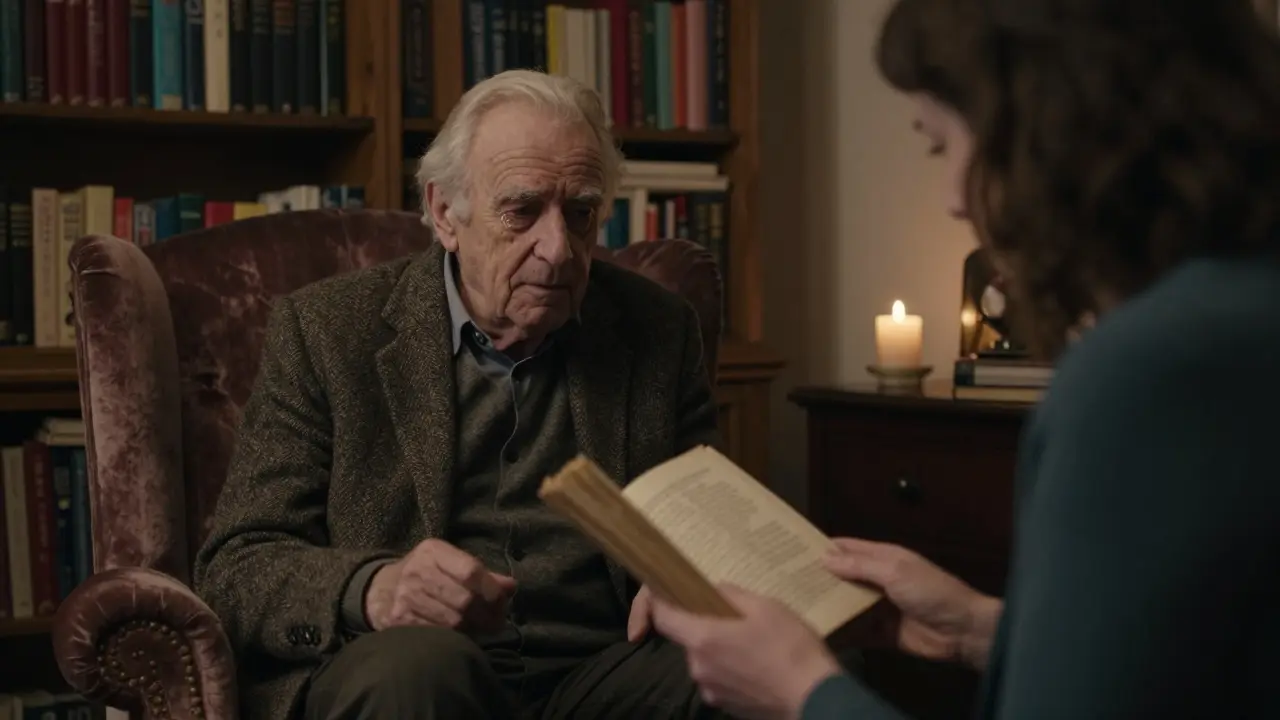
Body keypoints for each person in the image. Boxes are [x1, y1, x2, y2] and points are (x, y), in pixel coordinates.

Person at [646, 0, 1280, 718]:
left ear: (1047, 131)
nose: (951, 198)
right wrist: (982, 629)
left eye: (942, 144)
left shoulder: (1146, 373)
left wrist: (800, 688)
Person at [192, 69, 725, 720]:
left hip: (605, 673)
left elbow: (711, 522)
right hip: (417, 663)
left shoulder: (659, 329)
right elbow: (238, 566)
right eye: (522, 211)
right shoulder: (328, 331)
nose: (558, 249)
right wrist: (373, 588)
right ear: (445, 213)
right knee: (417, 671)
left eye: (580, 214)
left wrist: (692, 577)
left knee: (764, 664)